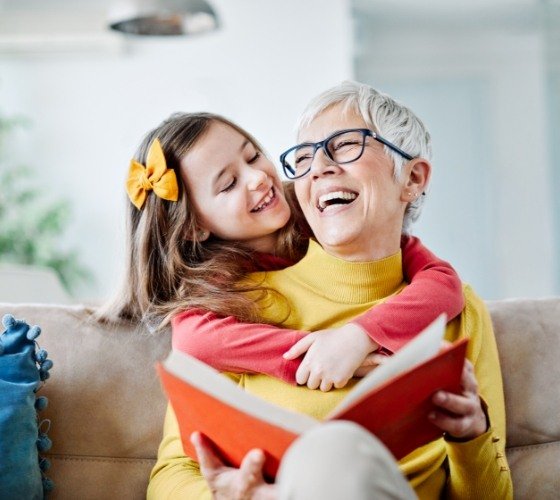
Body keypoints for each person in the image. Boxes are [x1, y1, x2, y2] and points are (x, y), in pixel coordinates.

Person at [147, 82, 513, 498]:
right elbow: (170, 478)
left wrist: (471, 437)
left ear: (412, 178)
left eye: (344, 146)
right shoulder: (231, 308)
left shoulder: (457, 311)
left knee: (336, 448)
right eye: (303, 157)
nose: (318, 166)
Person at [110, 111, 464, 393]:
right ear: (193, 227)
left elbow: (444, 284)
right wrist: (317, 354)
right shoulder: (219, 284)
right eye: (229, 184)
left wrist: (358, 336)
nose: (258, 178)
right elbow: (192, 340)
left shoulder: (322, 208)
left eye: (253, 156)